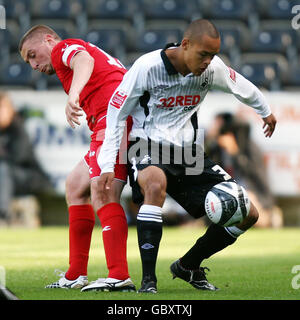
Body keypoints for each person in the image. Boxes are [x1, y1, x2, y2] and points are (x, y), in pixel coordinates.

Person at [97, 19, 277, 293]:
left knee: (247, 214)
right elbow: (116, 113)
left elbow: (243, 86)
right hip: (147, 146)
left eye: (213, 55)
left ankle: (188, 265)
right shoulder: (147, 67)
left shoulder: (211, 70)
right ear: (185, 45)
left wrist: (265, 112)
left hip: (189, 154)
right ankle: (148, 282)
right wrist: (109, 161)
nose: (208, 61)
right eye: (203, 54)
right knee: (154, 185)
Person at [19, 25, 135, 292]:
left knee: (103, 192)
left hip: (114, 121)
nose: (34, 65)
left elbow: (84, 60)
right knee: (75, 185)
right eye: (29, 61)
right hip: (112, 122)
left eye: (34, 55)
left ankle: (118, 275)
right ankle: (75, 274)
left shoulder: (62, 48)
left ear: (48, 40)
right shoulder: (69, 56)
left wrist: (73, 95)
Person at [206, 112, 283, 228]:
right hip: (225, 193)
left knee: (251, 210)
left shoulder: (251, 147)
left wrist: (235, 152)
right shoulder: (217, 148)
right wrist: (210, 139)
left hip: (251, 192)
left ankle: (269, 216)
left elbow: (256, 176)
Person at [0, 91, 51, 227]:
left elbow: (19, 157)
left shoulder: (17, 127)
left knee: (4, 169)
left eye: (2, 108)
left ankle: (2, 215)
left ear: (10, 110)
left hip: (28, 177)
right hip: (8, 179)